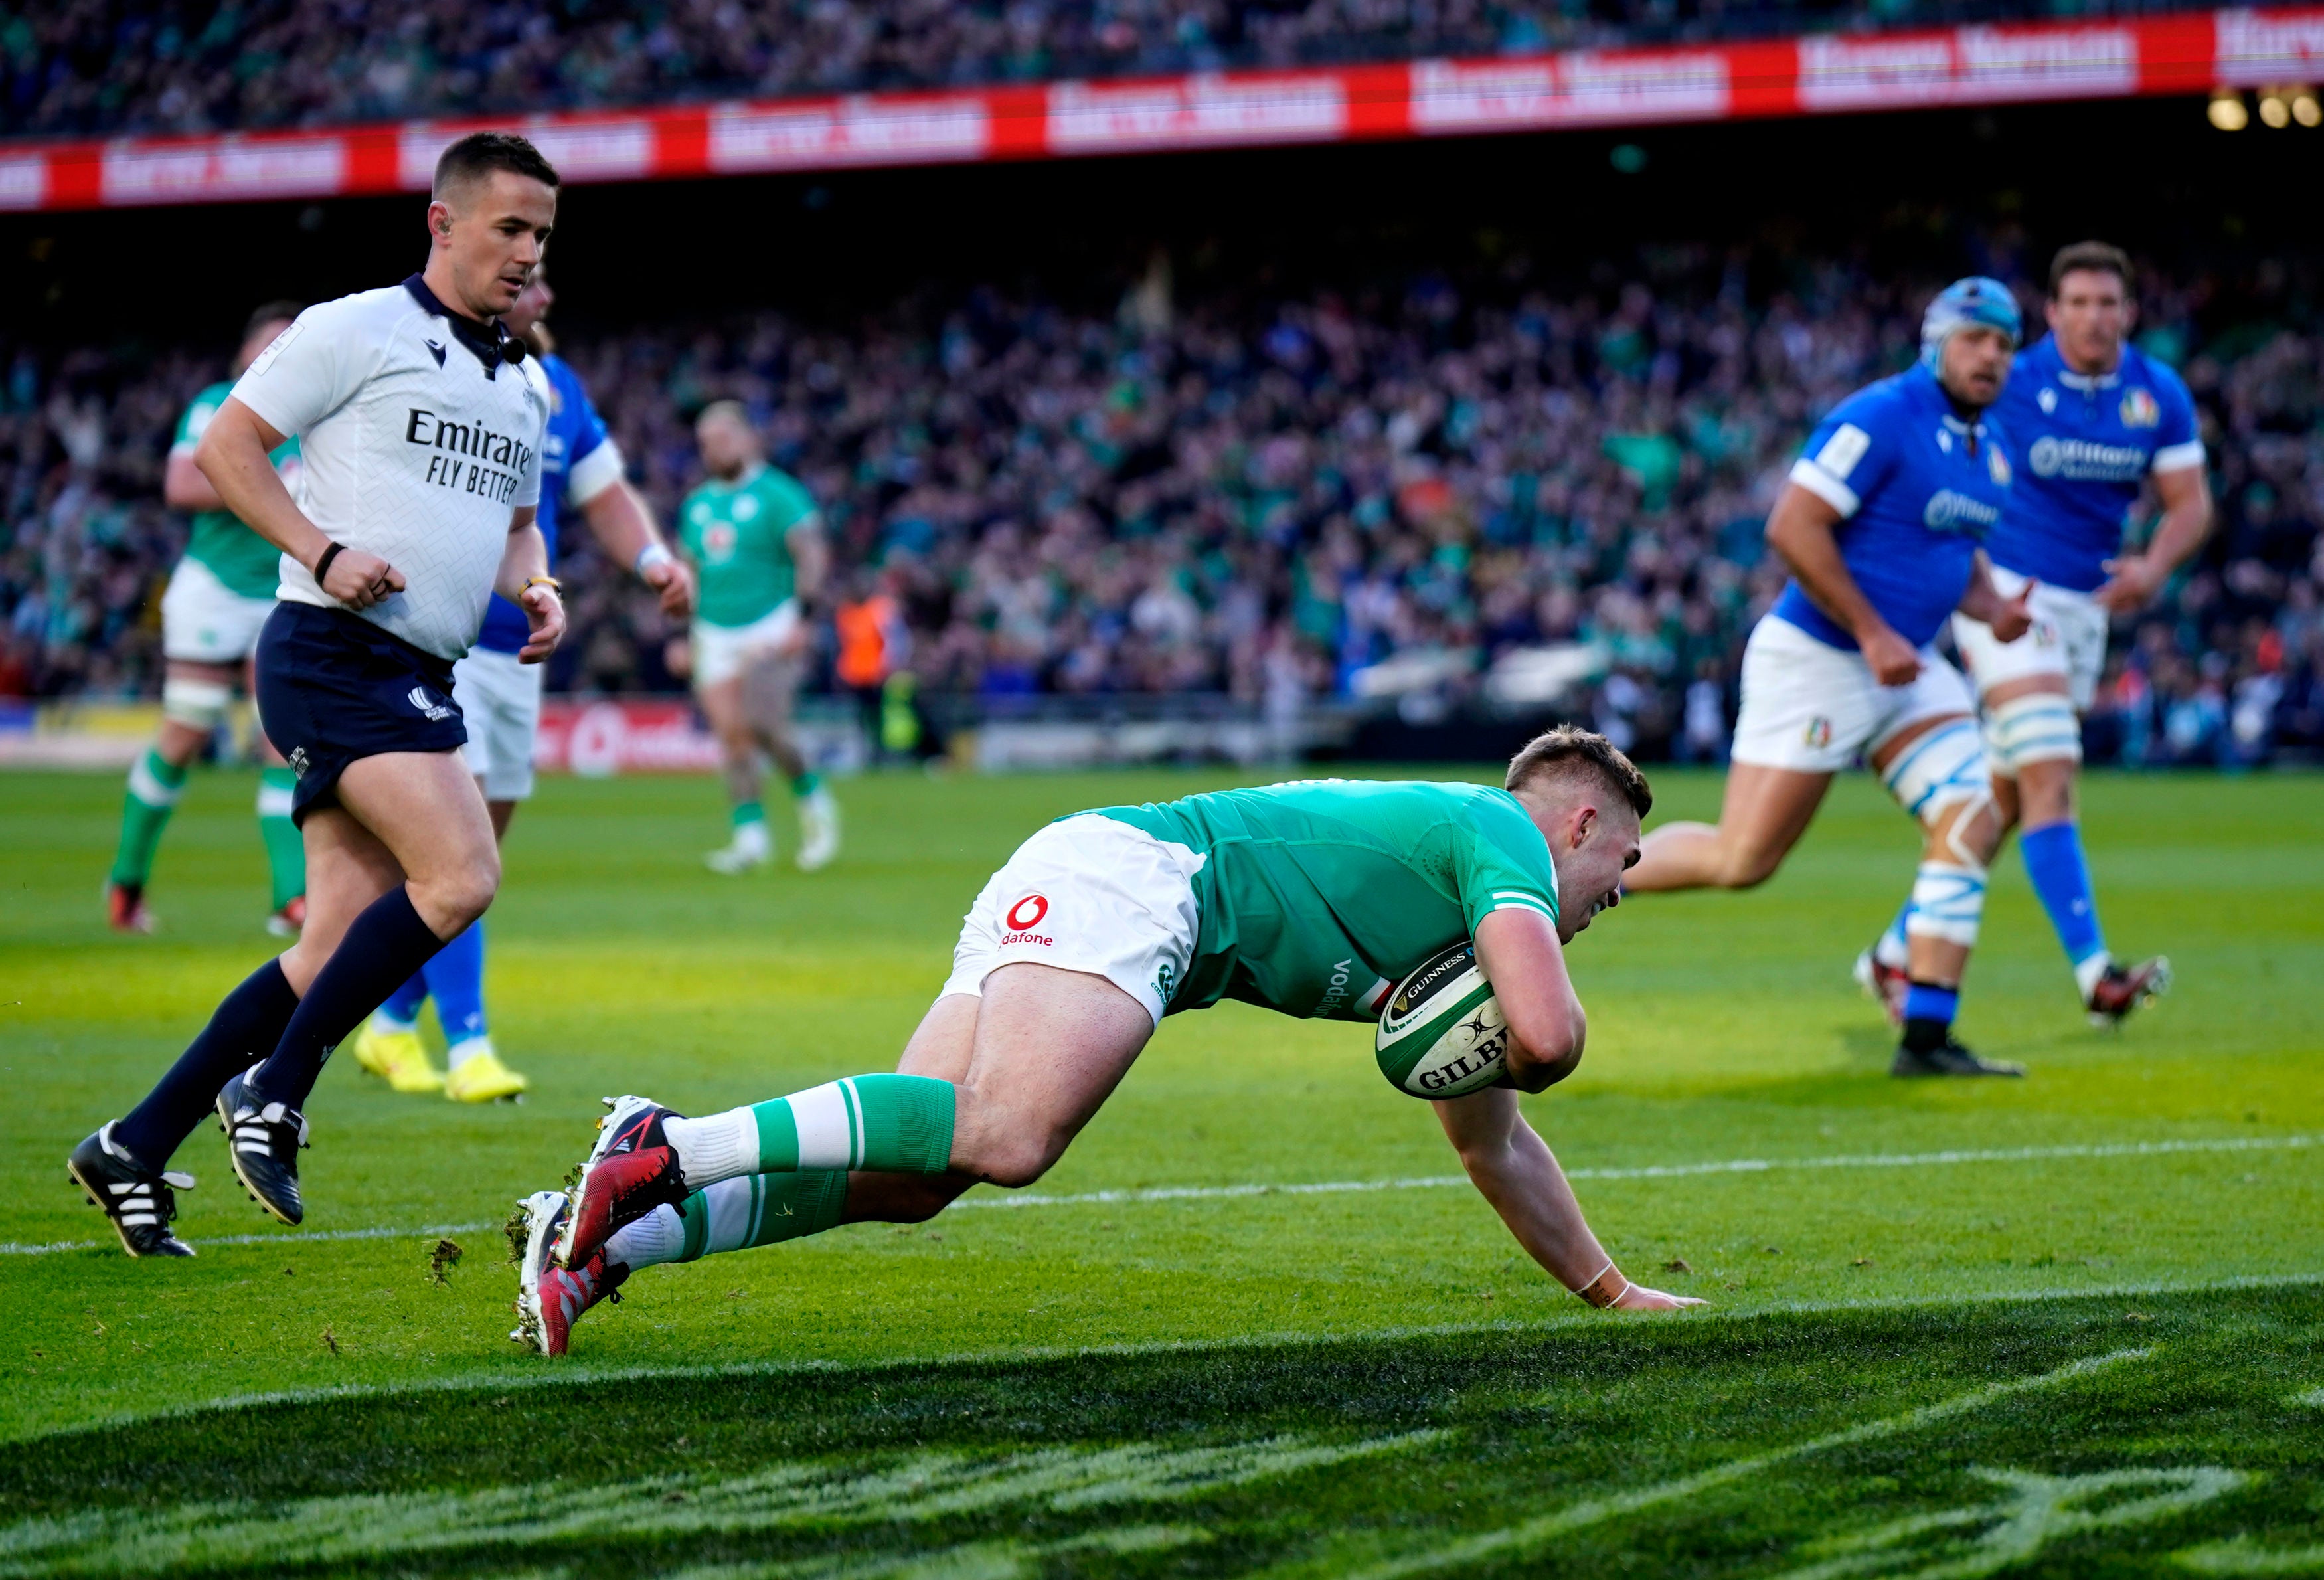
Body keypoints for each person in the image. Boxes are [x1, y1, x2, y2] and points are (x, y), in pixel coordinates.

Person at [508, 727, 1702, 1356]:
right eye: (1624, 860)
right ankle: (670, 1140)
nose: (1622, 887)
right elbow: (1546, 1037)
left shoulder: (1462, 929)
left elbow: (1496, 1143)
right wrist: (1521, 1022)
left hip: (1098, 873)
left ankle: (615, 1239)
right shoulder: (1501, 829)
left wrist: (1608, 1289)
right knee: (1012, 1135)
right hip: (1143, 883)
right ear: (1580, 818)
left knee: (921, 1174)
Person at [66, 132, 564, 1256]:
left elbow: (519, 525)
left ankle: (134, 1144)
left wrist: (538, 589)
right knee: (465, 871)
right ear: (442, 222)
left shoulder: (526, 383)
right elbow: (229, 444)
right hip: (330, 646)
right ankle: (276, 1092)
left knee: (329, 941)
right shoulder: (355, 328)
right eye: (509, 229)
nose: (528, 253)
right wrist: (322, 548)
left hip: (414, 666)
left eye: (541, 235)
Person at [1622, 278, 2035, 1079]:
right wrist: (1873, 631)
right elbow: (1791, 524)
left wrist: (1992, 608)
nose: (1989, 356)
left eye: (2003, 344)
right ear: (1935, 342)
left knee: (1975, 811)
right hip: (1819, 660)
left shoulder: (1990, 446)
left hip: (1905, 670)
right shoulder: (1879, 414)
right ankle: (1557, 874)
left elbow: (1954, 548)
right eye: (1975, 338)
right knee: (1741, 861)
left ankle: (1924, 1032)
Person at [350, 266, 697, 1102]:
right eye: (531, 281)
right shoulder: (436, 367)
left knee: (471, 866)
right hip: (437, 638)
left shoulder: (558, 388)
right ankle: (469, 1048)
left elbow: (604, 493)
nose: (543, 296)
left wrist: (652, 558)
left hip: (519, 649)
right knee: (454, 854)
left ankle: (391, 1026)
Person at [1858, 243, 2201, 1026]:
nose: (2092, 317)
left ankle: (1890, 953)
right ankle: (2095, 976)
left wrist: (2152, 565)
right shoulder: (2011, 380)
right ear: (2052, 314)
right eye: (2076, 302)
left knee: (2004, 800)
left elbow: (2190, 503)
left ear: (2127, 312)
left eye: (2106, 303)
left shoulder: (2157, 394)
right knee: (2051, 775)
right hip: (2007, 598)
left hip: (2086, 613)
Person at [104, 303, 309, 937]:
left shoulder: (316, 415)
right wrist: (261, 477)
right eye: (268, 344)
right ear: (245, 354)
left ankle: (290, 898)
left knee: (283, 741)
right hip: (214, 590)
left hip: (283, 589)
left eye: (290, 345)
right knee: (186, 733)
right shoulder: (219, 404)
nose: (278, 355)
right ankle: (126, 883)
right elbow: (181, 486)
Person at [673, 401, 840, 874]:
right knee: (732, 737)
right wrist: (682, 632)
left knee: (765, 723)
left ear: (748, 439)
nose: (713, 450)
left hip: (770, 622)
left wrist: (805, 617)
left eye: (723, 438)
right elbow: (689, 570)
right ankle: (751, 839)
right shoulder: (698, 504)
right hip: (713, 628)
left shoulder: (778, 493)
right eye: (705, 443)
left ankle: (814, 801)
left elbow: (810, 553)